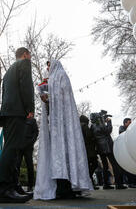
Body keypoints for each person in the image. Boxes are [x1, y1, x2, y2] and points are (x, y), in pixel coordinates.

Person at [34, 60, 93, 200]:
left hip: (63, 122)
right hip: (55, 123)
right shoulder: (51, 79)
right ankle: (60, 187)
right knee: (58, 153)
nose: (48, 68)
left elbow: (63, 95)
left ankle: (68, 186)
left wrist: (50, 96)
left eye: (49, 65)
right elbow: (52, 99)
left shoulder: (61, 75)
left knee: (65, 151)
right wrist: (45, 96)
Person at [0, 47, 34, 204]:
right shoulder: (24, 64)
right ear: (25, 54)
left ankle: (14, 186)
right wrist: (30, 108)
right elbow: (26, 87)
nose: (30, 58)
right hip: (17, 112)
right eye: (29, 55)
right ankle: (5, 191)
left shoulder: (8, 71)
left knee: (14, 150)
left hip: (8, 112)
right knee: (12, 150)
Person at [90, 113, 126, 190]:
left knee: (105, 166)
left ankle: (105, 184)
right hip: (107, 146)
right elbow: (108, 130)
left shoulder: (92, 126)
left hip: (100, 148)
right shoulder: (100, 124)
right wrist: (109, 122)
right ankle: (118, 184)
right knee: (114, 164)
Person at [16, 117, 39, 192]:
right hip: (18, 147)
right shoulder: (18, 119)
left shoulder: (32, 120)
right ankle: (16, 185)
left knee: (30, 166)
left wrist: (31, 142)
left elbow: (36, 132)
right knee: (16, 166)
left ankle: (30, 186)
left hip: (28, 147)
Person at [80, 115, 99, 190]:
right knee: (94, 164)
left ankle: (89, 182)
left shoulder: (79, 126)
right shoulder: (84, 126)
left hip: (84, 149)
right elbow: (89, 136)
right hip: (89, 149)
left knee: (88, 166)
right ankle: (89, 180)